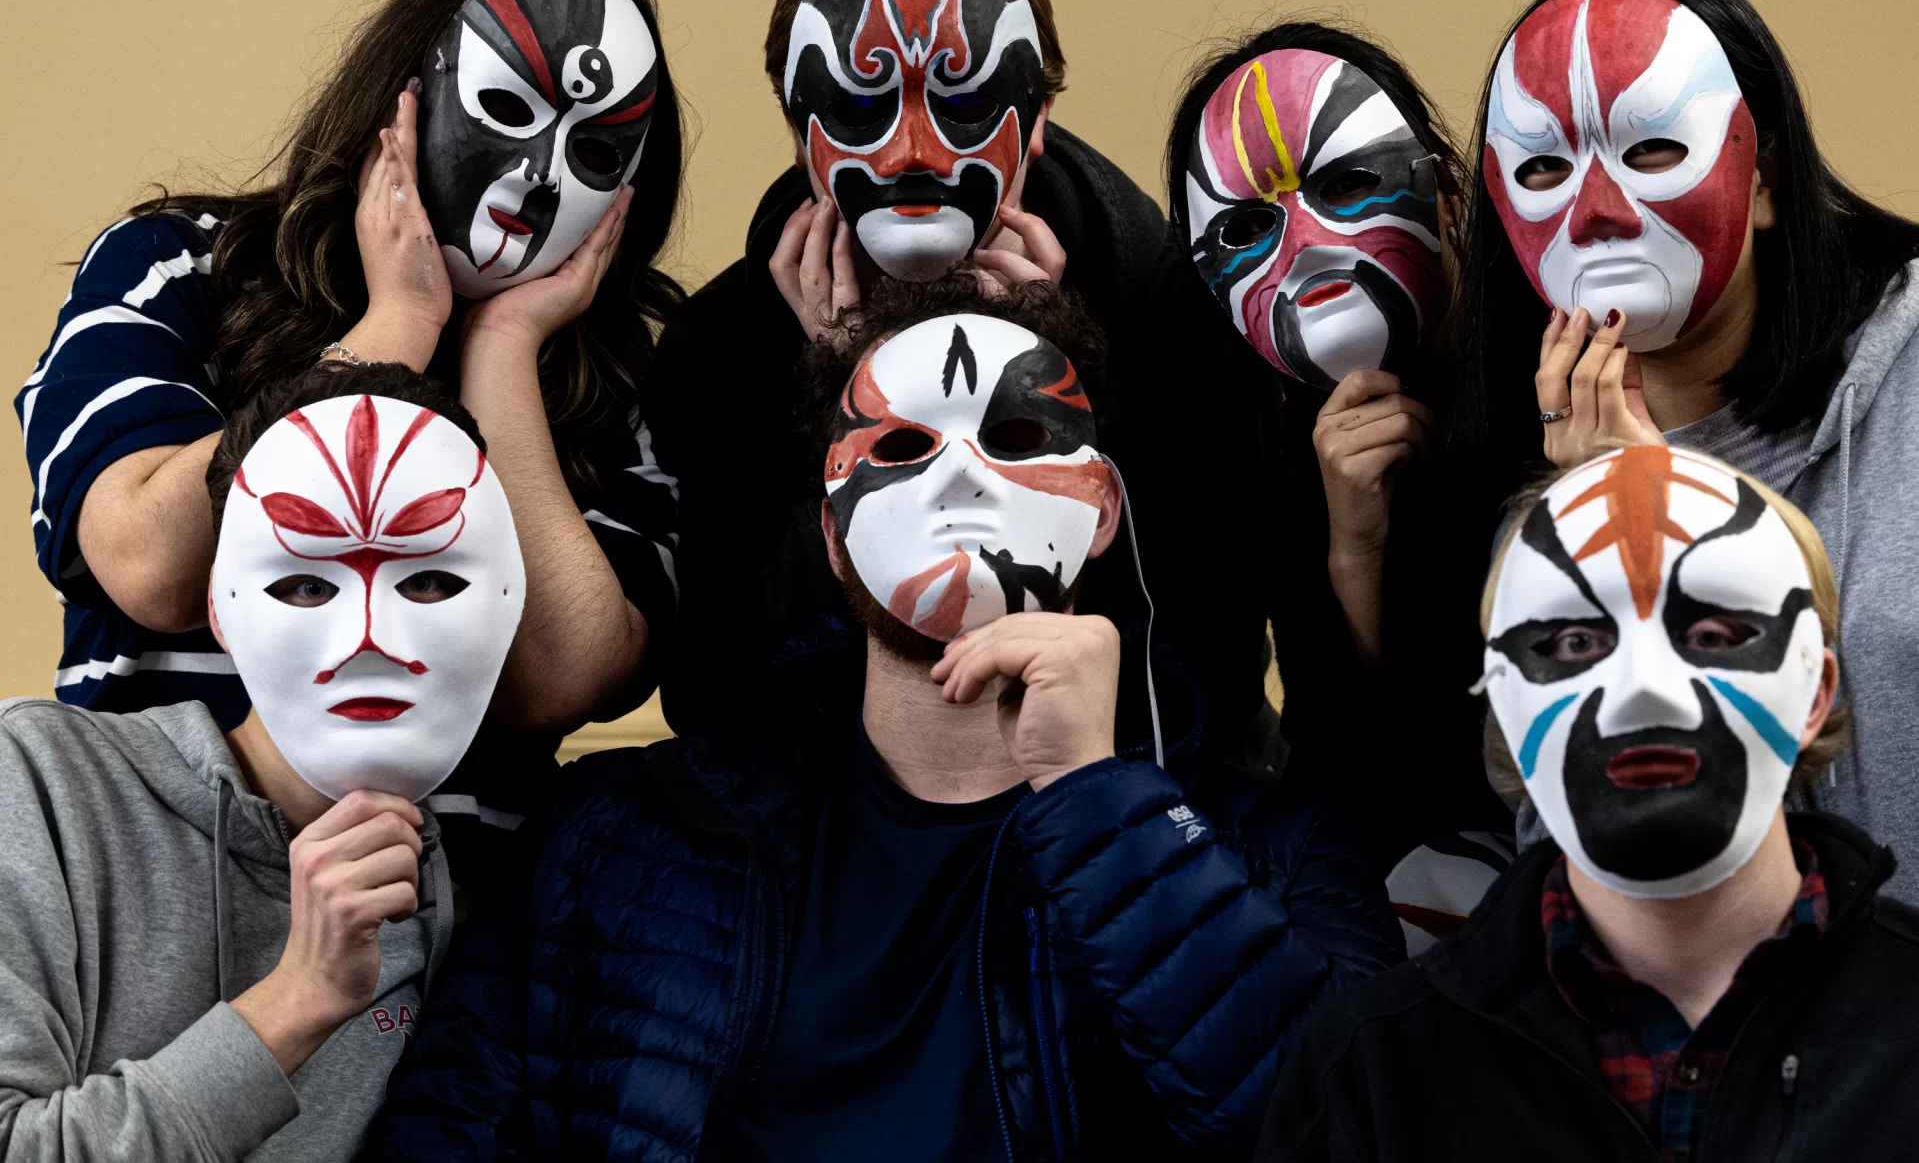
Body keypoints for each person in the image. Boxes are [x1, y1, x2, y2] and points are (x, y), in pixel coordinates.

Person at [367, 277, 1401, 1162]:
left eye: (1017, 434)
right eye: (902, 444)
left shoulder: (1269, 854)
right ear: (829, 534)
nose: (959, 474)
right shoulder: (617, 838)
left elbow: (1354, 1130)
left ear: (1099, 514)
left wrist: (1106, 804)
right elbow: (445, 1129)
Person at [15, 0, 685, 875]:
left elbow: (556, 681)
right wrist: (397, 325)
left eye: (596, 149)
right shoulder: (175, 269)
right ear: (405, 95)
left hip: (445, 948)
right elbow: (153, 566)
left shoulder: (619, 375)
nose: (536, 179)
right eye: (503, 107)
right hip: (147, 897)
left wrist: (501, 351)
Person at [651, 0, 1228, 761]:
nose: (911, 152)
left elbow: (1206, 660)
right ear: (800, 128)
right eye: (857, 107)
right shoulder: (718, 345)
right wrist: (845, 401)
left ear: (1034, 119)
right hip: (827, 829)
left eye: (963, 102)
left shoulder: (1165, 308)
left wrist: (1058, 388)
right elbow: (711, 690)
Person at [1258, 446, 1919, 1161]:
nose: (1643, 689)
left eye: (1713, 635)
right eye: (1573, 640)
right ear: (1502, 699)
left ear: (1814, 692)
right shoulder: (1372, 1073)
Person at [1447, 0, 1919, 899]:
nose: (1596, 211)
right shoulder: (1544, 522)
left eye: (1651, 150)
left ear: (1764, 179)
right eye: (1544, 168)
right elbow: (1585, 881)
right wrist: (1621, 526)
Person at [0, 364, 524, 1160]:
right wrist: (296, 996)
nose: (369, 637)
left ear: (509, 598)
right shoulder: (39, 783)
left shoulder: (452, 895)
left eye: (428, 578)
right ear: (222, 605)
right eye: (308, 586)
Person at [1160, 21, 1510, 869]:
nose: (1307, 248)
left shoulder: (1552, 369)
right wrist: (1354, 546)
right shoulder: (1263, 433)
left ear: (1447, 190)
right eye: (1245, 229)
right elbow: (1346, 779)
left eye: (1349, 184)